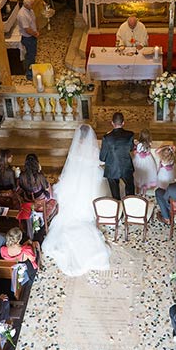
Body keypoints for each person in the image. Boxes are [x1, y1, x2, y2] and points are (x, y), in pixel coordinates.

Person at [42, 124, 111, 276]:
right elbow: (97, 164)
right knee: (98, 181)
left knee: (72, 196)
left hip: (73, 179)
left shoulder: (74, 149)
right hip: (87, 178)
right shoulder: (93, 150)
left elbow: (71, 164)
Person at [99, 112, 135, 200]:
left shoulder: (106, 137)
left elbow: (102, 157)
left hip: (112, 168)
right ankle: (130, 209)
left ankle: (118, 210)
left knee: (115, 194)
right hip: (126, 166)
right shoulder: (130, 134)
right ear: (123, 123)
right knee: (130, 190)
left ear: (112, 123)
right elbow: (130, 148)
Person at [17, 0, 39, 81]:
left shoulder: (30, 10)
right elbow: (27, 29)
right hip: (28, 38)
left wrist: (37, 28)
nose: (32, 6)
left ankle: (32, 67)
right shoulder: (22, 14)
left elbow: (33, 20)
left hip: (32, 36)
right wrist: (35, 34)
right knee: (30, 55)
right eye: (31, 4)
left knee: (32, 54)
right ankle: (29, 74)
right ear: (26, 4)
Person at [132, 129, 158, 194]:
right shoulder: (149, 143)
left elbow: (135, 152)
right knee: (146, 177)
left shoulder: (139, 144)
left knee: (138, 176)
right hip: (148, 160)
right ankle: (144, 193)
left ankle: (138, 193)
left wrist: (135, 147)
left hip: (139, 161)